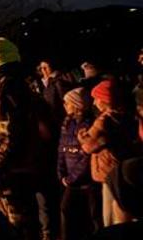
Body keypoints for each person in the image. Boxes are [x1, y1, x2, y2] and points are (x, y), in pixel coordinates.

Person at [0, 37, 52, 239]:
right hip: (29, 167)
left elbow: (7, 137)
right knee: (29, 225)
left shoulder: (5, 91)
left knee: (17, 227)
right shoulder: (24, 87)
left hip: (13, 173)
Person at [78, 80, 138, 227]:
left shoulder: (104, 120)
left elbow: (88, 146)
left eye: (96, 98)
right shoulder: (127, 116)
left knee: (111, 216)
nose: (93, 103)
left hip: (108, 171)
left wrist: (81, 136)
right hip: (123, 168)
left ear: (104, 100)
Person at [59, 87, 102, 239]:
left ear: (77, 105)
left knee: (94, 215)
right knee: (66, 211)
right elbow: (62, 150)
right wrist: (61, 171)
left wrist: (72, 178)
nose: (64, 105)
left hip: (86, 181)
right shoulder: (67, 124)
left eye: (67, 103)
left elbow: (86, 155)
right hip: (71, 180)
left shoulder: (89, 125)